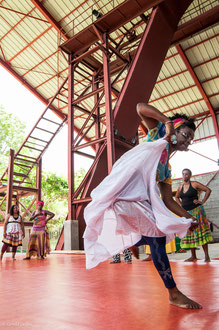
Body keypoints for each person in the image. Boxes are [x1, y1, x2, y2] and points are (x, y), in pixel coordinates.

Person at [84, 103, 202, 309]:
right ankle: (173, 293)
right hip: (123, 197)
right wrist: (166, 122)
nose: (188, 140)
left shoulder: (166, 168)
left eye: (191, 138)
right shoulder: (156, 135)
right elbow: (139, 107)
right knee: (157, 237)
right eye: (186, 134)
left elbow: (168, 199)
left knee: (158, 237)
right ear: (175, 128)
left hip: (134, 202)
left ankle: (132, 245)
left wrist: (188, 217)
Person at [175, 168, 212, 262]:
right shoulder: (180, 187)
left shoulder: (195, 184)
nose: (185, 176)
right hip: (187, 214)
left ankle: (207, 256)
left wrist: (202, 201)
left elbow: (208, 190)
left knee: (201, 231)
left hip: (197, 211)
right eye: (183, 174)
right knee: (189, 233)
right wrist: (180, 206)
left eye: (187, 174)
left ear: (190, 175)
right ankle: (193, 256)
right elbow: (176, 197)